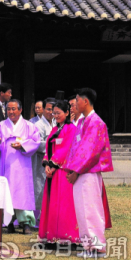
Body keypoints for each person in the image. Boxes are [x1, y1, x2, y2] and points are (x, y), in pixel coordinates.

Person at [64, 88, 113, 258]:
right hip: (80, 172)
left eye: (76, 100)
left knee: (91, 209)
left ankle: (97, 247)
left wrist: (75, 171)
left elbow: (90, 152)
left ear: (85, 101)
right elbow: (76, 148)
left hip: (88, 173)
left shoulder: (96, 122)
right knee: (82, 210)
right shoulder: (84, 122)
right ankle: (88, 246)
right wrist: (71, 169)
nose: (74, 104)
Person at [0, 99, 40, 234]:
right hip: (6, 165)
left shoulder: (29, 126)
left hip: (22, 165)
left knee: (23, 193)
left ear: (20, 110)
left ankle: (25, 222)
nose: (11, 112)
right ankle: (9, 222)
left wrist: (23, 145)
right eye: (8, 109)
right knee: (7, 192)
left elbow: (36, 141)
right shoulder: (0, 126)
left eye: (14, 109)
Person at [38, 100, 78, 248]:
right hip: (52, 172)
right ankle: (51, 236)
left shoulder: (71, 129)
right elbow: (48, 146)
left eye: (58, 113)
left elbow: (66, 149)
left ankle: (67, 237)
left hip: (63, 171)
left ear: (67, 113)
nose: (55, 115)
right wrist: (46, 164)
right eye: (53, 113)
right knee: (52, 202)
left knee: (64, 204)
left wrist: (53, 165)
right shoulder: (55, 129)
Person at [31, 98, 55, 222]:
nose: (51, 112)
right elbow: (37, 144)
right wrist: (53, 144)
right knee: (39, 187)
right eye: (48, 109)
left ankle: (49, 216)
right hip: (41, 160)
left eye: (53, 110)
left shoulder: (56, 123)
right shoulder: (38, 125)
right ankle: (37, 218)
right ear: (43, 109)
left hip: (55, 161)